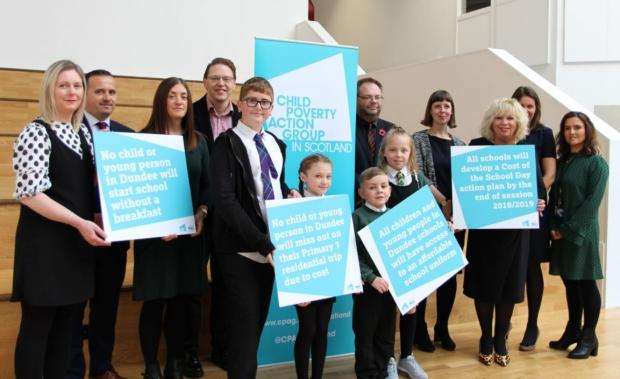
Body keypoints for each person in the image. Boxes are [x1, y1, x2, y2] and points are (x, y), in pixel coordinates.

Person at [11, 59, 108, 378]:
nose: (72, 91)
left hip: (76, 248)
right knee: (37, 332)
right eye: (63, 85)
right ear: (50, 89)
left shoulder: (81, 135)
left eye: (77, 85)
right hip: (45, 248)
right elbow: (30, 194)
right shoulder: (36, 131)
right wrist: (80, 222)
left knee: (66, 334)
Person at [210, 77, 298, 379]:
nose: (258, 106)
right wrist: (261, 242)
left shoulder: (276, 144)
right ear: (239, 104)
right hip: (240, 250)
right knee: (244, 331)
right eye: (252, 100)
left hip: (270, 249)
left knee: (256, 324)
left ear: (271, 108)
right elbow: (225, 201)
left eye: (264, 102)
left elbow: (270, 185)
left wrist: (289, 192)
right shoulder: (226, 144)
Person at [133, 77, 210, 379]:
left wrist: (202, 213)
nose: (179, 101)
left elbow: (207, 187)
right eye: (172, 96)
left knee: (180, 303)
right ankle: (151, 365)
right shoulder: (142, 141)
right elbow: (136, 193)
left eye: (184, 96)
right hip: (155, 240)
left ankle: (174, 363)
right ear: (161, 101)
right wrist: (157, 225)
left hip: (189, 238)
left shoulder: (199, 142)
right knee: (155, 302)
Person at [464, 98, 546, 367]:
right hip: (484, 234)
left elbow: (538, 188)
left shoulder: (525, 150)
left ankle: (501, 338)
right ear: (491, 122)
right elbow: (464, 187)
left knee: (509, 288)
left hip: (515, 234)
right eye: (499, 118)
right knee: (484, 287)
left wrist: (539, 202)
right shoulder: (477, 147)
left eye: (510, 118)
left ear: (519, 122)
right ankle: (486, 337)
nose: (504, 123)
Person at [65, 69, 133, 379]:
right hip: (76, 240)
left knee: (106, 307)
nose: (107, 97)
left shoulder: (127, 135)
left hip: (114, 239)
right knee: (74, 307)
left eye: (112, 92)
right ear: (84, 95)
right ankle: (74, 369)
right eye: (100, 91)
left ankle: (102, 367)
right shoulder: (67, 131)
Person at [188, 57, 241, 376]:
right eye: (215, 78)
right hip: (193, 212)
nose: (221, 83)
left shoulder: (244, 116)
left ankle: (223, 349)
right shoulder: (188, 114)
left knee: (226, 285)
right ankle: (189, 353)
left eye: (227, 78)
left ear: (234, 83)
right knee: (192, 287)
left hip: (229, 218)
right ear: (205, 81)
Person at [548, 111, 608, 359]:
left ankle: (589, 336)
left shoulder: (597, 163)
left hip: (581, 233)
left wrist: (565, 230)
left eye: (577, 127)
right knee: (570, 282)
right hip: (560, 231)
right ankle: (573, 330)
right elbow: (555, 197)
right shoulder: (562, 161)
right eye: (567, 128)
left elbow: (592, 204)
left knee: (585, 283)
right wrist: (553, 224)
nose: (572, 132)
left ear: (587, 130)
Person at [412, 90, 465, 352]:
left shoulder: (461, 144)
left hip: (455, 217)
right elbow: (417, 173)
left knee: (449, 275)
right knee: (427, 274)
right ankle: (418, 328)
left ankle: (442, 327)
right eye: (437, 106)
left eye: (447, 106)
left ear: (452, 111)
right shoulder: (418, 139)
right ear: (430, 110)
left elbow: (466, 180)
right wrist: (443, 200)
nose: (443, 110)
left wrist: (454, 206)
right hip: (429, 213)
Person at [379, 127, 432, 379]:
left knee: (411, 308)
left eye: (403, 149)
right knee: (389, 309)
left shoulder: (419, 179)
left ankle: (407, 356)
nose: (398, 154)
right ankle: (388, 358)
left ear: (410, 152)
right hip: (388, 254)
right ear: (384, 152)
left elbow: (427, 212)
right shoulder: (378, 179)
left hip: (413, 253)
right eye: (393, 149)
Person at [352, 167, 414, 379]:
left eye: (384, 186)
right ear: (361, 192)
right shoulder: (357, 217)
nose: (380, 191)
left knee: (387, 331)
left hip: (391, 287)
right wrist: (370, 277)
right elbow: (351, 255)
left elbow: (404, 255)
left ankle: (386, 367)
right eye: (372, 187)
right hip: (368, 289)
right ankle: (367, 373)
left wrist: (410, 293)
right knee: (365, 333)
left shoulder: (395, 216)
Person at [511, 86, 556, 351]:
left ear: (536, 107)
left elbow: (549, 173)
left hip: (534, 209)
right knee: (508, 265)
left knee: (531, 267)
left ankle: (532, 324)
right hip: (506, 212)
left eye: (531, 105)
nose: (527, 110)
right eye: (522, 105)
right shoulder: (504, 130)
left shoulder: (544, 134)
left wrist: (534, 196)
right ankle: (503, 327)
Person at [294, 154, 336, 379]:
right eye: (318, 175)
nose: (324, 181)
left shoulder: (334, 206)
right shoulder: (293, 204)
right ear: (303, 176)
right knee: (308, 329)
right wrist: (298, 289)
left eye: (328, 176)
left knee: (322, 331)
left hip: (327, 278)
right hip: (303, 281)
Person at [355, 78, 394, 200]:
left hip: (386, 203)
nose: (374, 101)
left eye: (377, 97)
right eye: (367, 97)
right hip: (354, 201)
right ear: (356, 99)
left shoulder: (391, 130)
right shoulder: (345, 129)